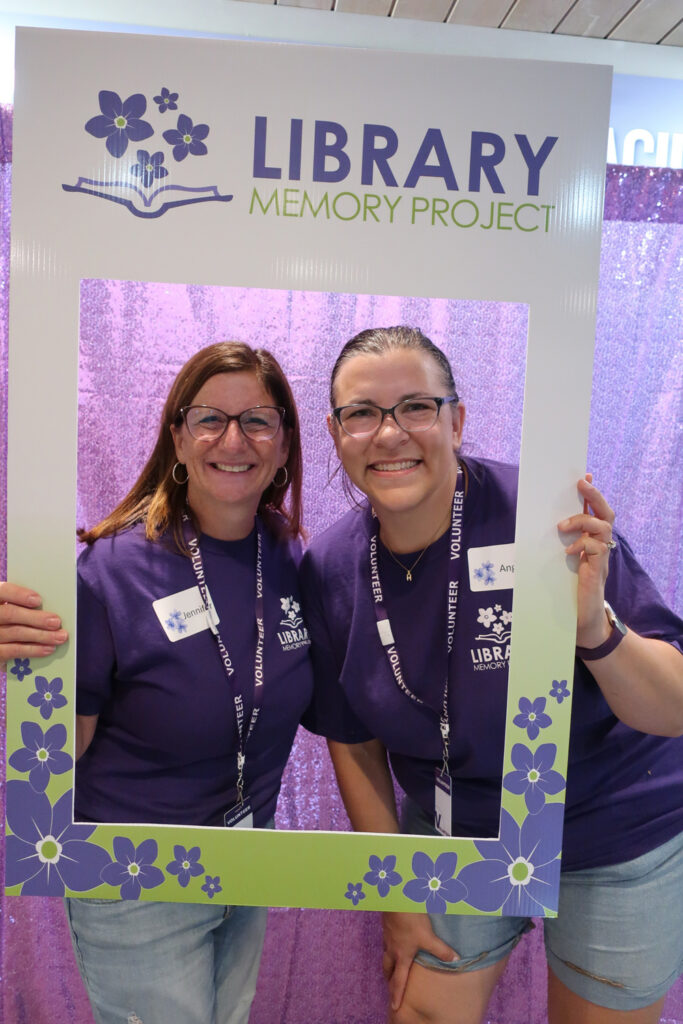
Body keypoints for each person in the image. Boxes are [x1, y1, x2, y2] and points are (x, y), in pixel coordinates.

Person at [300, 326, 683, 1024]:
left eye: (416, 406)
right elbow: (352, 743)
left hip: (611, 821)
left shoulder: (544, 519)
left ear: (456, 420)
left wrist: (594, 630)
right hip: (457, 829)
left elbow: (673, 709)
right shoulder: (329, 570)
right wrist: (395, 895)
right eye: (362, 413)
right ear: (335, 433)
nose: (389, 433)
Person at [1, 341, 313, 1024]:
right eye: (209, 419)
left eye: (257, 420)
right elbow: (63, 744)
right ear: (177, 436)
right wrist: (16, 672)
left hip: (246, 862)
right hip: (136, 882)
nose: (233, 440)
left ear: (285, 443)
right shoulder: (110, 570)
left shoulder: (292, 555)